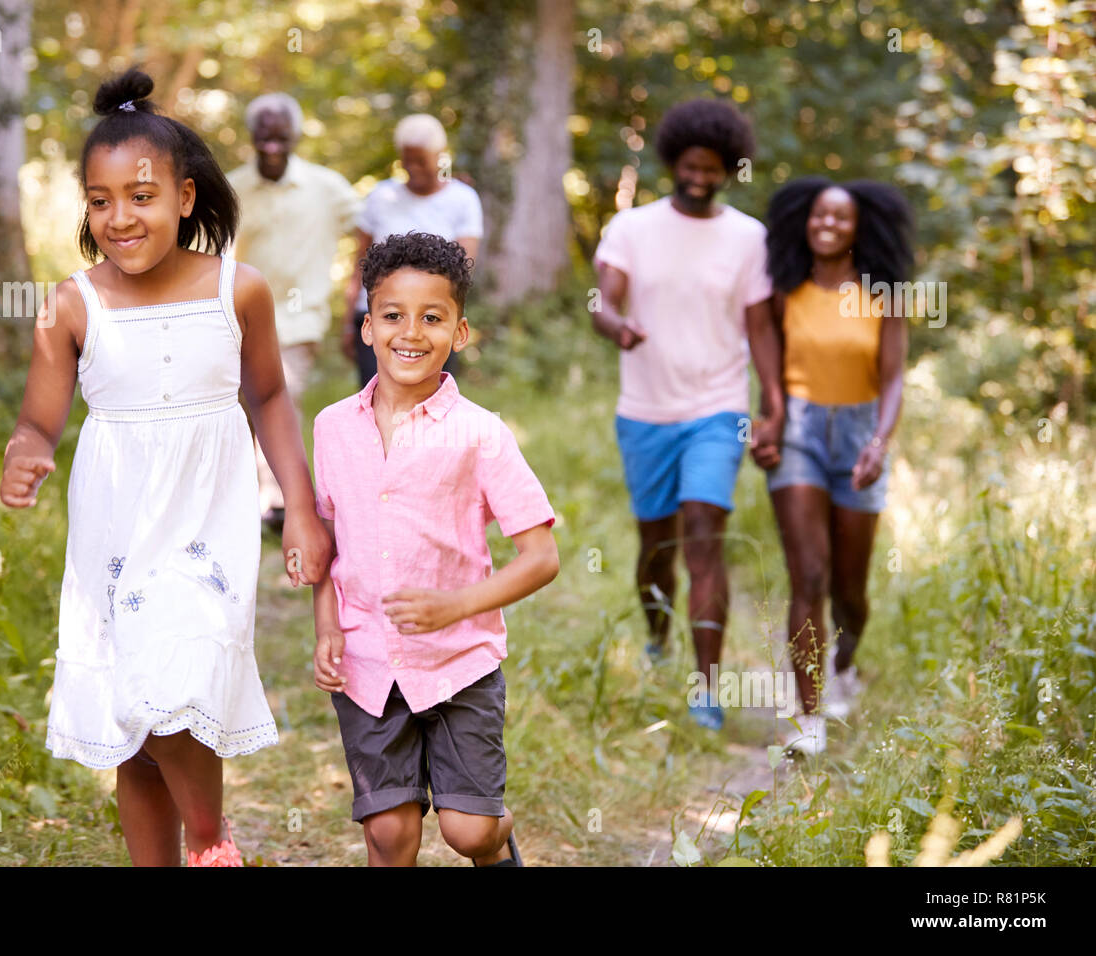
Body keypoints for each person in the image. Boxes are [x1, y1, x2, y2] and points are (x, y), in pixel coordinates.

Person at [0, 68, 330, 867]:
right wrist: (27, 451)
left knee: (179, 689)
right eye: (101, 200)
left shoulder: (237, 291)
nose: (119, 217)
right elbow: (40, 417)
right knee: (133, 724)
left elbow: (272, 399)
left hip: (206, 524)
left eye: (140, 196)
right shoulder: (73, 304)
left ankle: (211, 841)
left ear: (185, 197)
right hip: (115, 530)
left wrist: (303, 507)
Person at [312, 232, 560, 866]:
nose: (411, 332)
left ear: (461, 331)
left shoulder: (481, 434)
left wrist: (456, 606)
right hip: (367, 662)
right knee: (390, 835)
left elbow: (541, 556)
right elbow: (328, 542)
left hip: (460, 661)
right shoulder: (332, 428)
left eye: (433, 317)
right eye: (393, 315)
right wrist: (325, 628)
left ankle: (496, 836)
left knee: (468, 832)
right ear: (368, 328)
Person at [590, 98, 783, 731]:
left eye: (714, 168)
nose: (701, 176)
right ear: (674, 161)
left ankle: (706, 687)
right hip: (644, 411)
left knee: (705, 539)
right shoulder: (632, 228)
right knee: (656, 546)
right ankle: (656, 639)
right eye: (691, 165)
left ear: (728, 169)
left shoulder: (748, 237)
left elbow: (760, 329)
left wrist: (772, 404)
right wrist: (617, 326)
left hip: (717, 408)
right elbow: (602, 299)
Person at [762, 177, 913, 755]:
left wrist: (879, 441)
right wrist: (769, 421)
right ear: (805, 220)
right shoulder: (786, 287)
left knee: (851, 589)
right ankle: (809, 715)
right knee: (810, 576)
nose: (827, 225)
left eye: (840, 218)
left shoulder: (884, 292)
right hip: (799, 430)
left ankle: (845, 662)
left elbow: (894, 377)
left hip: (860, 433)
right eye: (819, 216)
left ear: (859, 227)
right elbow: (771, 368)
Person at [227, 92, 363, 533]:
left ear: (294, 137)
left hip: (298, 322)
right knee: (241, 412)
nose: (271, 141)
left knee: (280, 402)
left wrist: (359, 290)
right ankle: (249, 502)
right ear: (252, 136)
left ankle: (281, 504)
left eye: (280, 132)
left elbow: (372, 228)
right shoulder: (231, 188)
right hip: (237, 323)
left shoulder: (326, 188)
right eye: (263, 132)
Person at [342, 114, 483, 387]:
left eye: (421, 160)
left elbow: (464, 270)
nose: (413, 168)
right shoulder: (380, 197)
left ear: (440, 156)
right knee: (376, 401)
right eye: (407, 160)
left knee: (429, 404)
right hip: (380, 314)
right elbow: (359, 264)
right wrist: (349, 322)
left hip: (434, 319)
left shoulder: (462, 200)